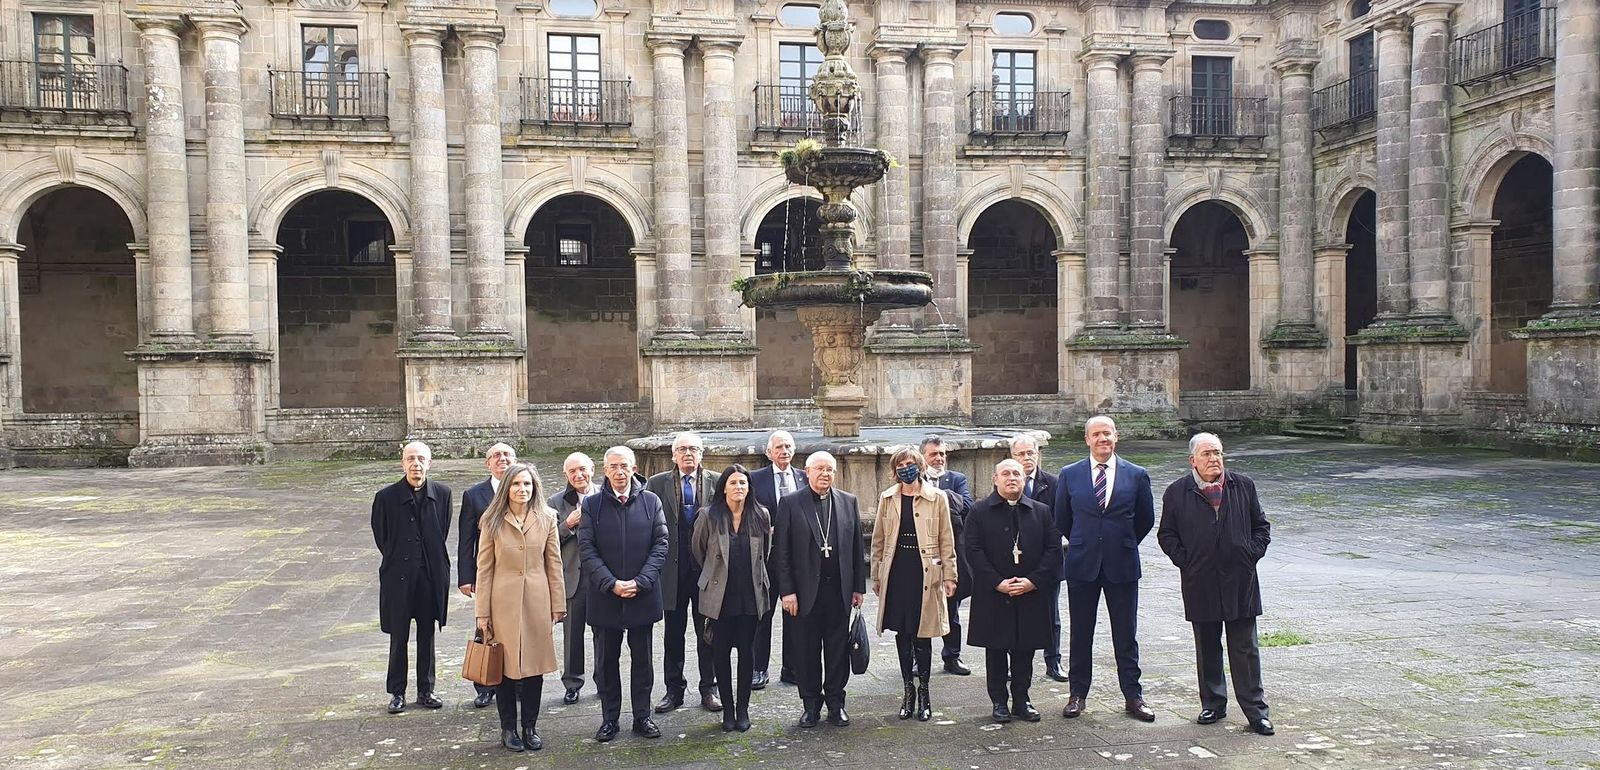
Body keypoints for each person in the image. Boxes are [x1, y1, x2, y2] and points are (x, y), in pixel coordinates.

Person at [1157, 433, 1274, 736]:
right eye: (1207, 454)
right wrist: (1187, 561)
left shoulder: (1243, 485)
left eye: (1218, 453)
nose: (1214, 459)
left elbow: (1261, 526)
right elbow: (1166, 535)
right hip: (1201, 581)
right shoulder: (1176, 492)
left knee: (1245, 649)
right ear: (1192, 460)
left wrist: (1250, 554)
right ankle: (1213, 703)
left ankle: (1256, 711)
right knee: (1207, 646)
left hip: (1240, 580)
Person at [1053, 416, 1157, 722]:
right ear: (1087, 439)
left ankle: (1133, 696)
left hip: (1121, 564)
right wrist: (1087, 542)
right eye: (1096, 434)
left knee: (1126, 634)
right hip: (1082, 564)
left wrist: (1121, 541)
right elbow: (1062, 518)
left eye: (1107, 434)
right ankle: (1077, 694)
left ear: (1116, 437)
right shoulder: (1070, 474)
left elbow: (1145, 519)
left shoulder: (1136, 475)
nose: (1102, 439)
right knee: (1081, 633)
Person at [474, 463, 566, 752]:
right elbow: (484, 569)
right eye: (516, 484)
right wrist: (482, 612)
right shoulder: (491, 520)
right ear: (506, 488)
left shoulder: (548, 518)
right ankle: (508, 728)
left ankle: (530, 726)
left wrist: (558, 604)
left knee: (534, 668)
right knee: (505, 667)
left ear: (534, 487)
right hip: (502, 603)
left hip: (538, 602)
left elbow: (554, 563)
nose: (522, 489)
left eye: (527, 484)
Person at [579, 446, 669, 742]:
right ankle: (609, 719)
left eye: (625, 466)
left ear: (634, 468)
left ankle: (642, 717)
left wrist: (640, 581)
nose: (620, 472)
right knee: (606, 662)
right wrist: (611, 583)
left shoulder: (651, 501)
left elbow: (661, 543)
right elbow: (587, 549)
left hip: (641, 594)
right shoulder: (592, 505)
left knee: (643, 660)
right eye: (614, 466)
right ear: (605, 470)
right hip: (605, 596)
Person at [773, 451, 866, 728]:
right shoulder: (791, 503)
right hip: (803, 593)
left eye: (830, 470)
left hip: (838, 590)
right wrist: (786, 592)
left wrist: (858, 587)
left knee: (838, 650)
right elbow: (782, 552)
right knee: (806, 650)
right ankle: (810, 704)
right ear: (807, 471)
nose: (825, 474)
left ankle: (836, 704)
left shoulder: (848, 501)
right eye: (820, 469)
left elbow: (856, 547)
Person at [966, 459, 1062, 723]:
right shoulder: (979, 511)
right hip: (994, 593)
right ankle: (999, 701)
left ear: (1024, 479)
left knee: (1025, 649)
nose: (1012, 478)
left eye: (1017, 474)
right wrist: (997, 582)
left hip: (1030, 593)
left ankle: (1022, 699)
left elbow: (1054, 550)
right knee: (996, 649)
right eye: (1006, 474)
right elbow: (973, 551)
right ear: (995, 479)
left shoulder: (1041, 511)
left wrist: (1032, 581)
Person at [870, 447, 957, 722]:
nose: (905, 468)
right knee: (902, 634)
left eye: (910, 464)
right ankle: (908, 691)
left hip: (925, 574)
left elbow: (947, 539)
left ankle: (925, 694)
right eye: (900, 465)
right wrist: (877, 575)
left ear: (919, 466)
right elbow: (878, 540)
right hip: (897, 571)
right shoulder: (888, 498)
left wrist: (950, 575)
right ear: (895, 470)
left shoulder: (937, 497)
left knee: (922, 634)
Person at [371, 441, 452, 714]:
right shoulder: (385, 497)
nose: (416, 464)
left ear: (429, 463)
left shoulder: (442, 493)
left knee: (427, 634)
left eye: (421, 459)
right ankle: (397, 692)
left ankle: (426, 689)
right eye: (410, 459)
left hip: (429, 578)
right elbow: (382, 537)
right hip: (399, 578)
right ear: (402, 463)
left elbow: (442, 531)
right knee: (399, 635)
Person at [645, 431, 722, 713]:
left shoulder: (716, 480)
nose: (688, 454)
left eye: (693, 449)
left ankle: (709, 689)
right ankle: (673, 690)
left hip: (705, 571)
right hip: (672, 572)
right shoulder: (656, 483)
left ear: (702, 454)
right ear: (673, 455)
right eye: (682, 449)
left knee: (708, 631)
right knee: (673, 634)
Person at [691, 464, 772, 732]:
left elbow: (764, 555)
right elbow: (698, 551)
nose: (739, 487)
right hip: (720, 598)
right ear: (723, 487)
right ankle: (728, 710)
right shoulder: (709, 516)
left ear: (749, 488)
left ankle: (744, 710)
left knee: (747, 654)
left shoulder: (760, 515)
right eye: (734, 483)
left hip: (750, 597)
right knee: (721, 654)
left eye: (743, 483)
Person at [457, 442, 517, 708]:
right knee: (486, 626)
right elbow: (465, 539)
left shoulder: (524, 487)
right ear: (487, 463)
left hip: (518, 572)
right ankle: (485, 684)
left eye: (507, 455)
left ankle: (515, 680)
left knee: (516, 627)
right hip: (488, 572)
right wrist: (465, 577)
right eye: (496, 455)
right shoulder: (475, 495)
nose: (502, 459)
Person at [747, 430, 806, 688]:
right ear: (769, 452)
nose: (784, 451)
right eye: (779, 447)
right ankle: (759, 668)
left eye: (788, 446)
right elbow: (744, 511)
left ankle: (791, 667)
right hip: (766, 558)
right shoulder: (754, 479)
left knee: (795, 613)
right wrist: (763, 528)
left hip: (798, 557)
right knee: (763, 614)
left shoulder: (805, 477)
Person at [1010, 433, 1066, 683]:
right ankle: (1017, 665)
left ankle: (1053, 661)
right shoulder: (1007, 483)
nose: (1026, 458)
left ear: (1037, 453)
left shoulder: (1053, 483)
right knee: (1015, 615)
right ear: (1013, 457)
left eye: (1030, 452)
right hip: (1015, 560)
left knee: (1050, 613)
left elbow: (1061, 521)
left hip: (1047, 560)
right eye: (1021, 454)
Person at [550, 451, 602, 705]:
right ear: (566, 475)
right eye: (572, 472)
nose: (579, 475)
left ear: (593, 468)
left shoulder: (607, 495)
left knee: (604, 632)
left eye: (582, 469)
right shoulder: (555, 502)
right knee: (573, 635)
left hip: (602, 576)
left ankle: (604, 679)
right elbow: (547, 543)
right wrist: (567, 525)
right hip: (573, 576)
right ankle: (572, 682)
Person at [921, 435, 973, 676]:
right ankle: (918, 658)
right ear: (924, 457)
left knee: (951, 609)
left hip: (951, 551)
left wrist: (935, 495)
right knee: (920, 611)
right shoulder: (915, 478)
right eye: (934, 454)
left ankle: (952, 657)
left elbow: (968, 506)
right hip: (922, 554)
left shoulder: (957, 479)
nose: (939, 458)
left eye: (942, 454)